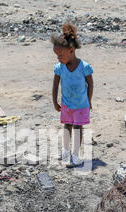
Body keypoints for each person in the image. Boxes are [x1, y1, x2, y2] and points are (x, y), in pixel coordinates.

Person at [52, 23, 93, 168]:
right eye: (57, 56)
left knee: (77, 129)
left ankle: (75, 156)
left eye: (60, 55)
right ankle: (65, 151)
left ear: (71, 50)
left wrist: (89, 101)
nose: (58, 58)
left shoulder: (84, 67)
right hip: (67, 104)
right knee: (66, 127)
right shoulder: (59, 67)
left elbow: (90, 84)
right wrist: (55, 101)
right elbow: (55, 85)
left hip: (81, 105)